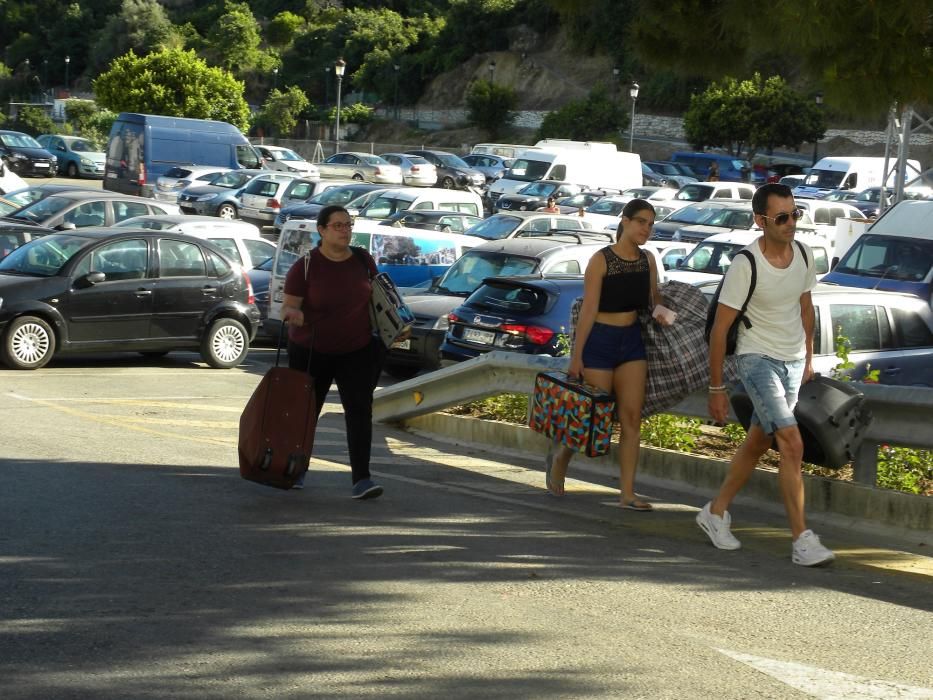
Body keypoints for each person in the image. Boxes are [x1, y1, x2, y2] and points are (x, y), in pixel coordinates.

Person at [700, 183, 835, 566]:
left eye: (795, 214)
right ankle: (802, 541)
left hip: (792, 361)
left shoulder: (805, 255)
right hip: (756, 359)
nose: (790, 223)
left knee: (759, 441)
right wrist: (716, 387)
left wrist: (808, 356)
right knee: (791, 443)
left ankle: (714, 511)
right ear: (760, 221)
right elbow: (719, 330)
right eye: (781, 218)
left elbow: (805, 308)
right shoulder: (746, 265)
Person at [546, 199, 671, 509]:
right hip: (600, 340)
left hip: (632, 340)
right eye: (641, 221)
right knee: (593, 417)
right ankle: (561, 457)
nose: (647, 228)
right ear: (625, 222)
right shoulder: (601, 259)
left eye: (651, 224)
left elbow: (654, 299)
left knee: (631, 419)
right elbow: (588, 310)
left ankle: (627, 493)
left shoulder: (648, 260)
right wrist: (576, 357)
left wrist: (662, 312)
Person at [280, 205, 385, 499]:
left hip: (357, 349)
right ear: (322, 230)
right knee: (306, 413)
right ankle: (296, 469)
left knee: (359, 412)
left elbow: (380, 298)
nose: (345, 230)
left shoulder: (363, 260)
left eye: (348, 224)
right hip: (312, 350)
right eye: (338, 225)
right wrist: (293, 314)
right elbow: (288, 306)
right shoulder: (305, 266)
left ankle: (362, 479)